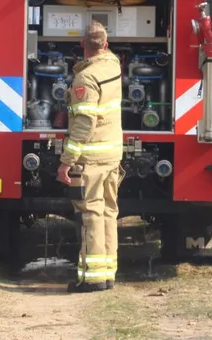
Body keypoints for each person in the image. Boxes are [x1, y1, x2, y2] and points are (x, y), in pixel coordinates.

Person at [57, 21, 124, 293]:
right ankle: (107, 273)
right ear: (106, 44)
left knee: (90, 215)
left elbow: (84, 124)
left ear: (83, 46)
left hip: (92, 159)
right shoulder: (113, 67)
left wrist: (66, 161)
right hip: (112, 154)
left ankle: (93, 278)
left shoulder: (86, 78)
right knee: (109, 212)